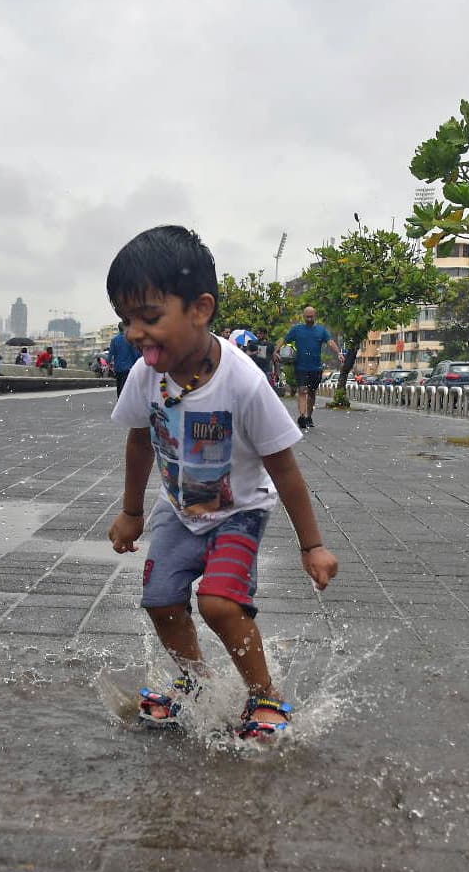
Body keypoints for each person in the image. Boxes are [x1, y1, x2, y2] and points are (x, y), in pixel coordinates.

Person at [105, 225, 339, 741]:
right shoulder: (147, 374)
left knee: (218, 603)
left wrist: (313, 545)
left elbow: (284, 468)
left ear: (200, 309)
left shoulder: (244, 382)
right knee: (161, 598)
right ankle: (196, 682)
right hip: (179, 511)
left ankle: (264, 696)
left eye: (149, 317)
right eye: (126, 321)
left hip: (238, 514)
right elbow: (140, 441)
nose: (135, 333)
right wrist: (131, 511)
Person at [282, 306, 340, 429]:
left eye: (311, 316)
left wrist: (338, 353)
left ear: (315, 316)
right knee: (302, 390)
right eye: (307, 316)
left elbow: (330, 342)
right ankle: (302, 417)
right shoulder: (297, 330)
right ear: (304, 316)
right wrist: (276, 352)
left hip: (316, 367)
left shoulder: (321, 330)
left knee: (312, 393)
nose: (309, 318)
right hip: (301, 366)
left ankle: (309, 416)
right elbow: (284, 340)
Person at [110, 321, 140, 396]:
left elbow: (111, 354)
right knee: (126, 386)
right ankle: (125, 400)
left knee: (119, 385)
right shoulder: (129, 339)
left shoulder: (114, 340)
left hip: (118, 368)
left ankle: (119, 400)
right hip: (128, 367)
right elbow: (134, 353)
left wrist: (109, 363)